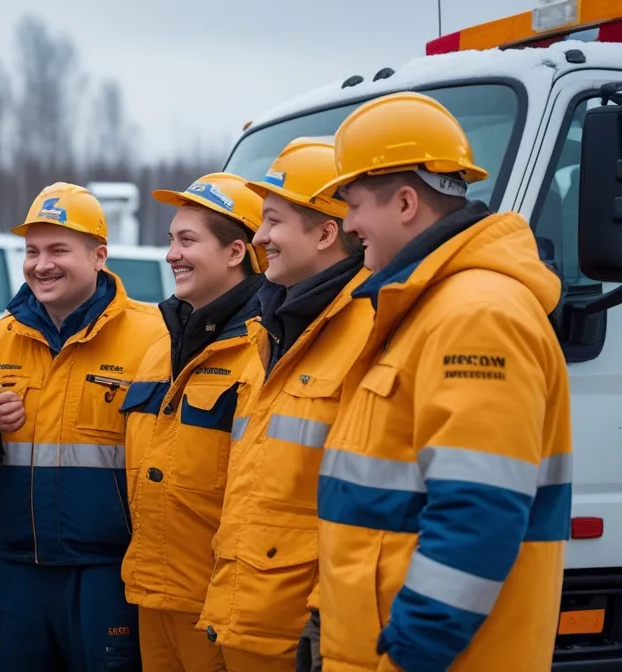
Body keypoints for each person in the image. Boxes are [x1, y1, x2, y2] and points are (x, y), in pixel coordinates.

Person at [312, 91, 572, 671]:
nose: (348, 226)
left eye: (354, 205)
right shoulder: (432, 306)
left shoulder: (476, 315)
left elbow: (477, 515)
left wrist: (411, 652)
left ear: (406, 202)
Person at [0, 182, 166, 671]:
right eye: (32, 251)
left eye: (58, 250)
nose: (41, 264)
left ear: (99, 256)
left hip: (109, 574)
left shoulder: (153, 337)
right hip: (19, 573)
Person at [195, 138, 371, 672]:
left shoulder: (370, 330)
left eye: (273, 221)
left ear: (325, 233)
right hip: (248, 616)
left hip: (306, 627)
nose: (259, 237)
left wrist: (326, 615)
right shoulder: (270, 327)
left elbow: (366, 499)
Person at [118, 173, 268, 671]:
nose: (171, 255)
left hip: (218, 608)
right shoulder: (160, 347)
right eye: (170, 240)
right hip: (151, 595)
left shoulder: (264, 350)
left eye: (187, 241)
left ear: (236, 252)